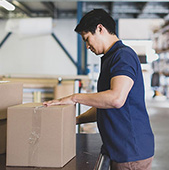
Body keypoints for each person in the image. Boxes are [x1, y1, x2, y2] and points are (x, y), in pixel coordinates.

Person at [43, 9, 154, 170]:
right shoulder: (111, 58)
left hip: (130, 152)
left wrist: (75, 97)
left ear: (100, 29)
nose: (87, 46)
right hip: (120, 149)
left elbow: (116, 99)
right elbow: (104, 106)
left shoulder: (123, 56)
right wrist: (73, 120)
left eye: (87, 39)